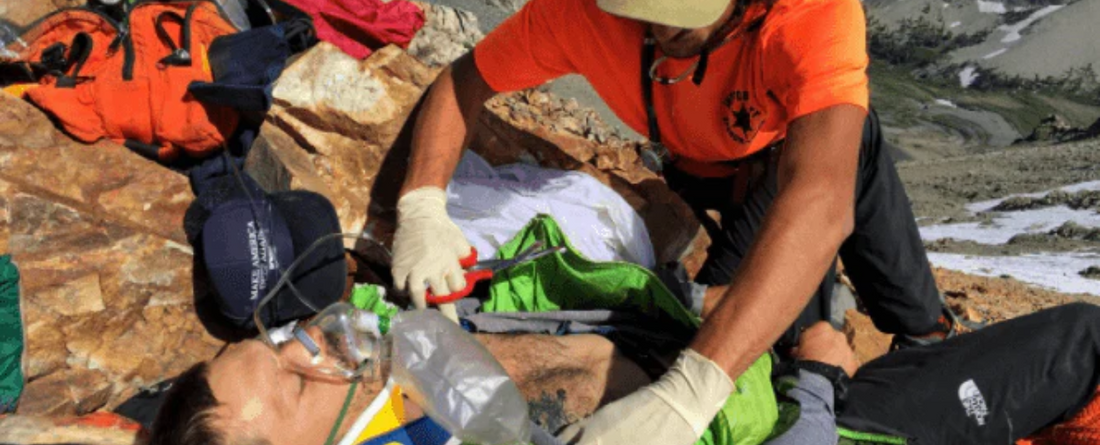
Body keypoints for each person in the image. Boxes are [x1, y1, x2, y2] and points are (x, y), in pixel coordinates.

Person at [389, 0, 959, 441]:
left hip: (783, 160)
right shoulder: (583, 11)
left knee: (758, 320)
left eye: (682, 20)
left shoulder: (808, 13)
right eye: (644, 15)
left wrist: (692, 391)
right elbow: (464, 80)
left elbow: (820, 199)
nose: (660, 32)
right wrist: (422, 205)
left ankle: (924, 335)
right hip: (691, 164)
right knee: (736, 322)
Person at [146, 302, 1100, 445]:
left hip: (730, 371)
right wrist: (818, 384)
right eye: (292, 377)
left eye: (277, 339)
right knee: (1089, 341)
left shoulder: (390, 395)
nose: (309, 348)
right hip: (806, 426)